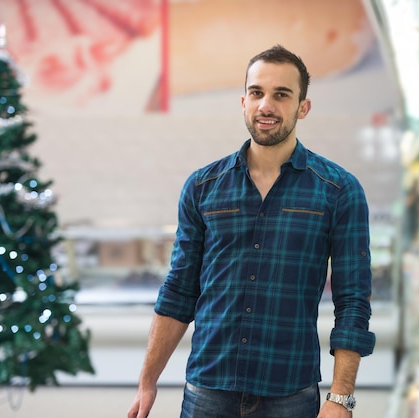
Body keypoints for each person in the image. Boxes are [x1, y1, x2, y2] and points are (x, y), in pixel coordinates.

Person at [127, 44, 376, 418]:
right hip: (208, 390)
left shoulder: (338, 190)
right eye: (257, 93)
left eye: (281, 95)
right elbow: (179, 290)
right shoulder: (202, 187)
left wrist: (341, 398)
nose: (266, 106)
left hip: (290, 395)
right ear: (243, 101)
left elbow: (353, 299)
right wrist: (148, 381)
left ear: (302, 107)